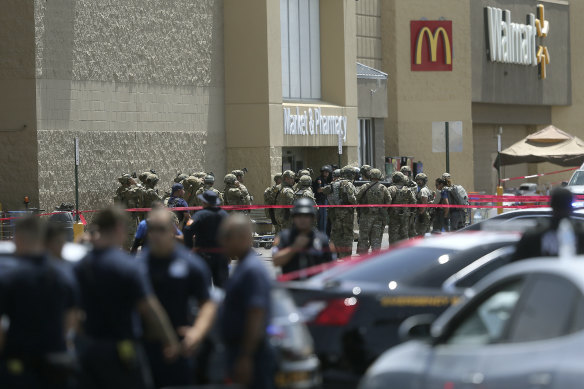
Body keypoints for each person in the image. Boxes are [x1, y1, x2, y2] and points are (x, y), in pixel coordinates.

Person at [74, 207, 179, 389]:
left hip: (89, 348)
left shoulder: (81, 266)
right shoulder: (128, 267)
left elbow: (72, 312)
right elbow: (149, 308)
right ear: (119, 228)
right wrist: (170, 340)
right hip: (122, 350)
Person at [138, 209, 217, 387]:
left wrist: (197, 333)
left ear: (172, 230)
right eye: (153, 229)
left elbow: (207, 304)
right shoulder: (138, 267)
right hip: (144, 346)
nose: (156, 234)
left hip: (182, 344)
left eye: (162, 229)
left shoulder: (191, 265)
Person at [0, 217, 78, 389]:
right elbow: (72, 320)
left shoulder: (8, 279)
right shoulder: (64, 276)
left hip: (18, 368)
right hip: (57, 366)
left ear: (17, 239)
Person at [219, 214, 274, 389]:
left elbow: (256, 314)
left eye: (228, 236)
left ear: (244, 237)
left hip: (251, 354)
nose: (223, 241)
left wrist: (245, 357)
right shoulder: (244, 266)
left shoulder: (251, 271)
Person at [512, 187, 584, 261]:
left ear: (550, 204)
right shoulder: (581, 234)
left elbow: (516, 264)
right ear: (571, 206)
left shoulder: (533, 235)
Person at [273, 198, 334, 276]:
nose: (302, 219)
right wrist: (294, 248)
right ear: (293, 218)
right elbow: (276, 261)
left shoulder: (321, 239)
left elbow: (331, 267)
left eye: (306, 216)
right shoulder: (285, 237)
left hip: (314, 285)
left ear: (312, 218)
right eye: (299, 216)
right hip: (291, 285)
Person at [184, 190, 230, 287]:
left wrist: (189, 248)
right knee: (222, 286)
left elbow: (188, 229)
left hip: (203, 254)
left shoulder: (199, 215)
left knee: (204, 287)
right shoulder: (225, 215)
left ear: (204, 202)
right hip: (221, 254)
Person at [357, 168, 391, 254]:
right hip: (378, 216)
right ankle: (375, 257)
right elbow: (389, 200)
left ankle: (362, 257)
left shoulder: (365, 186)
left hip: (366, 215)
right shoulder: (383, 188)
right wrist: (383, 209)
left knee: (364, 237)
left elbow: (357, 198)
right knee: (376, 238)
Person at [330, 167, 358, 258]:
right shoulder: (348, 184)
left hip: (335, 212)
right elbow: (351, 198)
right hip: (347, 213)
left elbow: (329, 198)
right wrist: (357, 202)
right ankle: (346, 255)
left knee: (336, 233)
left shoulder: (333, 183)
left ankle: (335, 254)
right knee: (348, 234)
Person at [387, 172, 417, 243]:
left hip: (393, 216)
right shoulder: (408, 190)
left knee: (393, 235)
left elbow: (387, 201)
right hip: (405, 215)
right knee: (404, 234)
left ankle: (393, 252)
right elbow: (414, 202)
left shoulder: (391, 189)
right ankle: (404, 252)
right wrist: (410, 212)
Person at [313, 165, 332, 234]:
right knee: (322, 219)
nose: (327, 173)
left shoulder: (326, 180)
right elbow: (319, 190)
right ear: (322, 172)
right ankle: (321, 234)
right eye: (325, 172)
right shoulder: (319, 180)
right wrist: (328, 189)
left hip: (325, 200)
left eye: (328, 172)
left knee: (325, 219)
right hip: (321, 201)